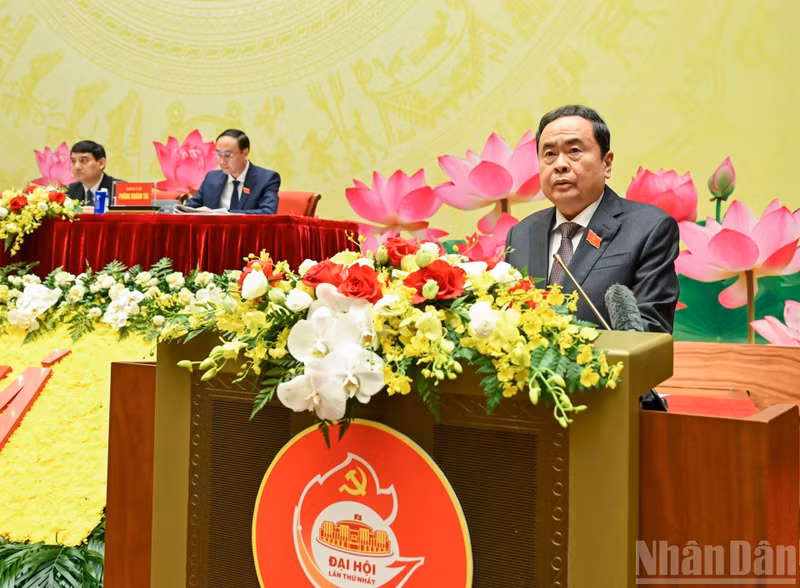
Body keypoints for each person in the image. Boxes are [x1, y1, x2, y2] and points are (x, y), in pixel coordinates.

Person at [505, 104, 680, 333]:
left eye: (574, 150)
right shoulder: (520, 235)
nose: (560, 164)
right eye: (549, 154)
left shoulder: (649, 228)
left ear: (606, 163)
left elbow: (651, 329)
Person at [184, 129, 280, 214]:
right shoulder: (212, 178)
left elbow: (268, 212)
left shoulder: (266, 179)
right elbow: (190, 207)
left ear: (245, 153)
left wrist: (222, 213)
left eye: (228, 155)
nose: (222, 161)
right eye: (218, 154)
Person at [67, 140, 122, 205]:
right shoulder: (69, 191)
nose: (77, 167)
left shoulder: (120, 190)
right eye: (73, 161)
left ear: (101, 163)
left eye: (83, 160)